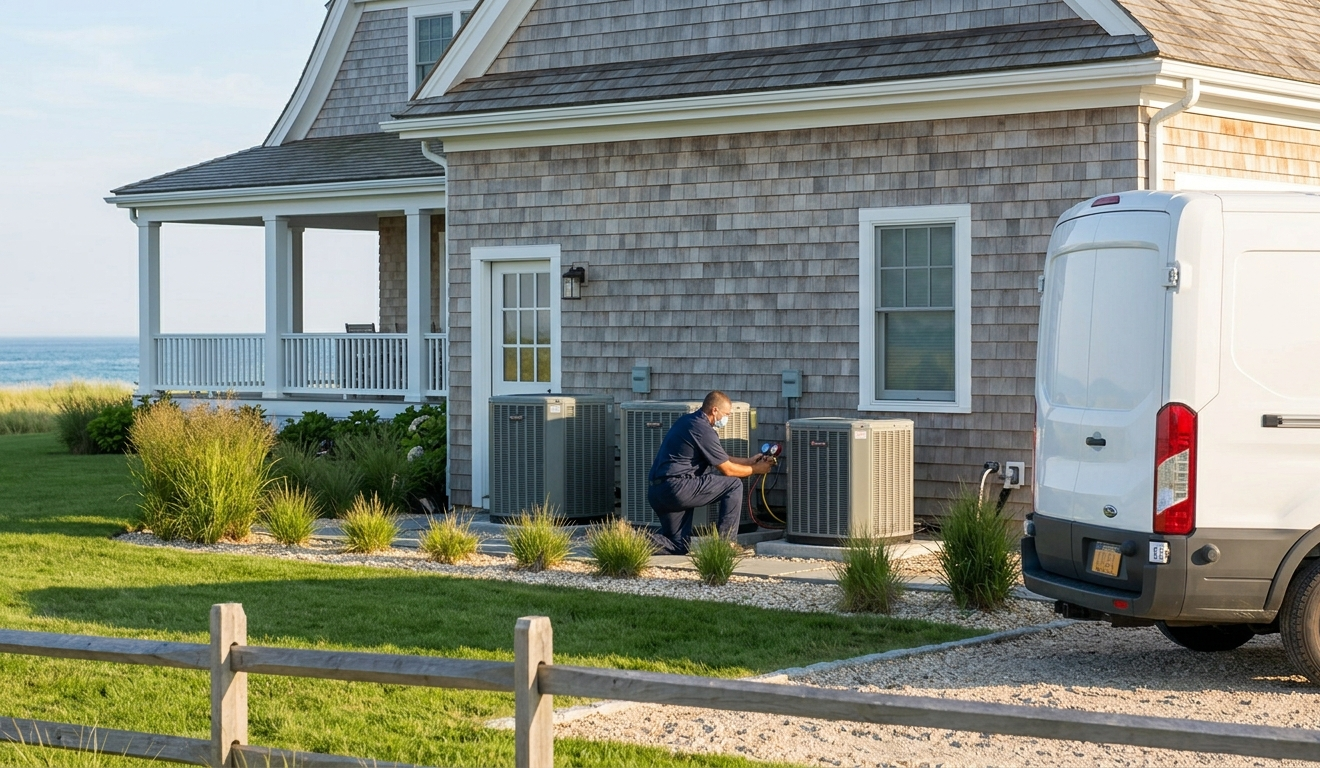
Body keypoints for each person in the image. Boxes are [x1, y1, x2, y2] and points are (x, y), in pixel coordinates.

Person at [647, 391, 773, 555]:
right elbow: (727, 470)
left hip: (658, 491)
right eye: (726, 414)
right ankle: (726, 545)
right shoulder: (703, 429)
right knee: (734, 484)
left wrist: (749, 462)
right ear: (715, 410)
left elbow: (721, 458)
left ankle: (633, 540)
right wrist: (757, 469)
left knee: (679, 546)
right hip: (677, 487)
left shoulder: (688, 421)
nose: (726, 418)